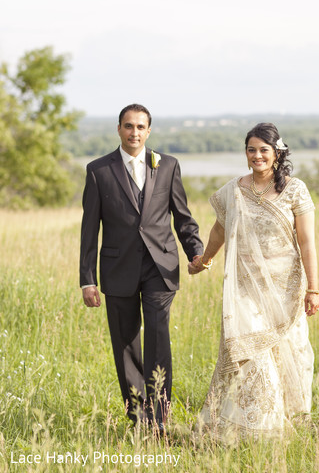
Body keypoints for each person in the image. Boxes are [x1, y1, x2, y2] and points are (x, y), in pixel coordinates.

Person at [189, 122, 319, 441]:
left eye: (264, 150)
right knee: (250, 355)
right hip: (244, 291)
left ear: (277, 153)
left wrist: (313, 288)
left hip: (285, 291)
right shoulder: (234, 189)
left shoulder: (295, 189)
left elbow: (306, 242)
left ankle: (289, 423)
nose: (257, 155)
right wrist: (204, 259)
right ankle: (249, 430)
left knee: (292, 354)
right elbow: (219, 229)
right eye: (251, 150)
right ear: (245, 153)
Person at [80, 103, 203, 429]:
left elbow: (182, 216)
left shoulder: (168, 165)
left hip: (160, 267)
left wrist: (195, 252)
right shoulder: (98, 170)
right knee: (125, 343)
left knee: (158, 337)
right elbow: (89, 229)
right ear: (119, 129)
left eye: (140, 127)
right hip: (117, 269)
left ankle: (160, 418)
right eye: (128, 126)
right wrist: (86, 279)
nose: (134, 132)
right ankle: (138, 418)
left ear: (149, 131)